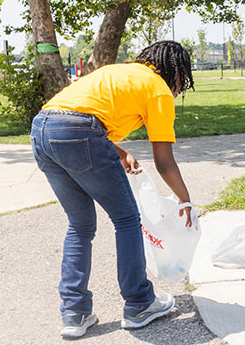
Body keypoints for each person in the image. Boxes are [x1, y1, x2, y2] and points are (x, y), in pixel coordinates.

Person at [30, 41, 194, 339]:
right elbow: (164, 162)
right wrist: (185, 200)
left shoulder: (120, 72)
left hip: (42, 129)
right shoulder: (157, 88)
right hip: (77, 131)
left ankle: (75, 312)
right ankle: (140, 303)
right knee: (127, 219)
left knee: (80, 225)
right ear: (177, 71)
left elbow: (77, 114)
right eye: (183, 78)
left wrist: (119, 152)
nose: (180, 86)